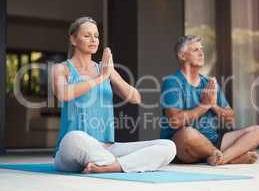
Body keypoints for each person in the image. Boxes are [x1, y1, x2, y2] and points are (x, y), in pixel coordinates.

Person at [52, 17, 176, 173]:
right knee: (74, 138)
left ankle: (109, 166)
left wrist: (111, 75)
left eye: (96, 36)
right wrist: (101, 78)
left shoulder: (105, 69)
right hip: (73, 150)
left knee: (168, 146)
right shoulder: (61, 68)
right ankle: (122, 164)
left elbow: (136, 98)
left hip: (108, 148)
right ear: (73, 39)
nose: (93, 40)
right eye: (87, 35)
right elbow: (63, 94)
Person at [160, 35, 259, 166]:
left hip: (212, 141)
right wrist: (204, 106)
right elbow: (175, 121)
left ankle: (223, 158)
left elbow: (230, 118)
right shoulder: (172, 82)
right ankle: (229, 157)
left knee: (257, 131)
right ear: (182, 55)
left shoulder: (208, 83)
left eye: (202, 49)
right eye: (195, 50)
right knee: (188, 134)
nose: (201, 53)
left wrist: (214, 106)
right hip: (183, 145)